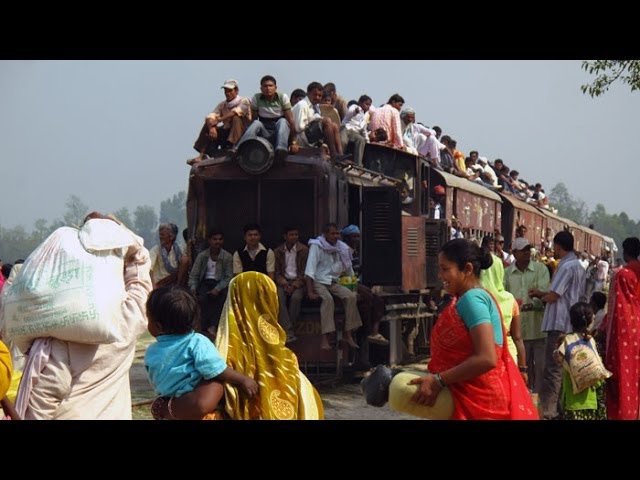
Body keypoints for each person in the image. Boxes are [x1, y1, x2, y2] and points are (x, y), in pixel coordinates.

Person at [15, 212, 153, 419]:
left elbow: (41, 402)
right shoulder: (127, 320)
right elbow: (140, 279)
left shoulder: (60, 330)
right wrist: (122, 235)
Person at [151, 272, 324, 420]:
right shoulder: (290, 365)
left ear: (232, 306)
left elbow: (201, 405)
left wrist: (164, 408)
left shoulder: (224, 358)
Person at [409, 239, 537, 420]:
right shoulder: (468, 298)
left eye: (445, 269)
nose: (440, 275)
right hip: (476, 398)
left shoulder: (472, 300)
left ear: (467, 269)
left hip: (481, 404)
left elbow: (486, 358)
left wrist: (439, 380)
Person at [144, 286, 258, 420]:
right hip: (193, 399)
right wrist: (242, 379)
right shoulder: (197, 342)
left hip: (170, 401)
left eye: (148, 319)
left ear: (158, 326)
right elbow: (217, 369)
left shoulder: (151, 351)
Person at [529, 230, 586, 420]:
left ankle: (547, 412)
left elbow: (555, 296)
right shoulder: (579, 266)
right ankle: (561, 408)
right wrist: (542, 293)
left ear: (559, 247)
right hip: (572, 323)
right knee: (565, 370)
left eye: (555, 247)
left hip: (559, 323)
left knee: (553, 370)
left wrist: (541, 297)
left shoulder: (566, 266)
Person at [504, 237, 551, 394]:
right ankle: (525, 397)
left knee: (540, 368)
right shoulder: (507, 274)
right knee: (523, 367)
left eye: (527, 250)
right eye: (522, 250)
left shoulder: (540, 269)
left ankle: (538, 399)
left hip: (537, 327)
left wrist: (536, 299)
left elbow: (544, 292)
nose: (526, 253)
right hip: (519, 331)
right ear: (514, 253)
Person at [305, 223, 362, 351]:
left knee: (350, 297)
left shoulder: (341, 248)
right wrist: (310, 291)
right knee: (327, 300)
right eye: (332, 233)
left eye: (337, 234)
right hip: (318, 281)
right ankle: (325, 337)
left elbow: (349, 271)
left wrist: (354, 289)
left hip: (333, 281)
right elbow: (310, 270)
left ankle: (348, 333)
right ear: (325, 234)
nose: (336, 236)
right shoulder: (317, 246)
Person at [602, 236, 640, 420]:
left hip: (624, 331)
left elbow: (617, 306)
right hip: (638, 328)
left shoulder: (622, 274)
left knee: (621, 376)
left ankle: (622, 414)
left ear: (625, 252)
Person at [557, 302, 607, 420]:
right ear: (589, 320)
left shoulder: (565, 341)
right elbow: (599, 376)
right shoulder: (592, 341)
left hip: (571, 400)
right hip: (590, 399)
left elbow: (559, 361)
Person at [340, 224, 387, 347]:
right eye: (353, 237)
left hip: (355, 282)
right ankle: (366, 332)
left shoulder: (355, 252)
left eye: (357, 237)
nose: (356, 239)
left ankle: (373, 332)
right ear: (346, 238)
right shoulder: (342, 252)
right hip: (345, 283)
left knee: (377, 301)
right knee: (368, 299)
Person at [191, 79, 252, 164]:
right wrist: (211, 127)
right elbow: (211, 116)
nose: (228, 93)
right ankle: (202, 155)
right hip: (227, 133)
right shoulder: (223, 104)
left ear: (236, 90)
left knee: (236, 118)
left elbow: (236, 112)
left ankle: (234, 148)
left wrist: (219, 120)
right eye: (226, 91)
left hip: (242, 134)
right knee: (208, 124)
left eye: (230, 91)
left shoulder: (244, 100)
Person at [188, 229, 234, 335]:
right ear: (209, 240)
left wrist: (217, 288)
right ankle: (203, 327)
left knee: (221, 298)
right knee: (202, 298)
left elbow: (228, 277)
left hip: (220, 284)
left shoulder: (227, 256)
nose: (217, 242)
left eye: (220, 239)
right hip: (205, 282)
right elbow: (194, 275)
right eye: (214, 239)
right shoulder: (202, 256)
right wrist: (193, 288)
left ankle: (214, 326)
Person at [274, 226, 309, 343]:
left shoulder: (304, 250)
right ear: (285, 236)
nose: (294, 237)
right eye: (291, 235)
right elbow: (277, 272)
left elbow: (305, 272)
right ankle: (289, 332)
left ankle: (288, 331)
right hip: (284, 282)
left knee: (296, 298)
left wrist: (294, 285)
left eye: (296, 235)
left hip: (298, 282)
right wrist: (284, 284)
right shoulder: (278, 251)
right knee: (279, 298)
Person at [149, 223, 184, 288]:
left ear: (171, 237)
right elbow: (149, 269)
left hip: (175, 283)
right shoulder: (156, 250)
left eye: (162, 235)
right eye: (160, 234)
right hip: (160, 284)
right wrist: (153, 288)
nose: (160, 237)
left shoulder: (179, 250)